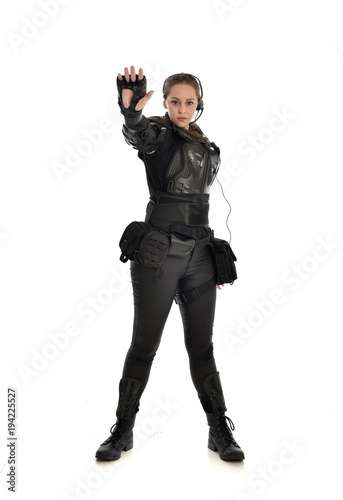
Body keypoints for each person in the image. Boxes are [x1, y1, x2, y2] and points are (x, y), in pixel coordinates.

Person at [95, 65, 245, 462]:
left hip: (200, 257)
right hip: (159, 255)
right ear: (164, 103)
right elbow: (138, 134)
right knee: (144, 345)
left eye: (189, 102)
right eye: (174, 101)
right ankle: (122, 431)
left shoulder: (209, 148)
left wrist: (213, 258)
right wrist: (130, 114)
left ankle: (219, 431)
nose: (182, 108)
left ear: (199, 106)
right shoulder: (158, 137)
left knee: (202, 347)